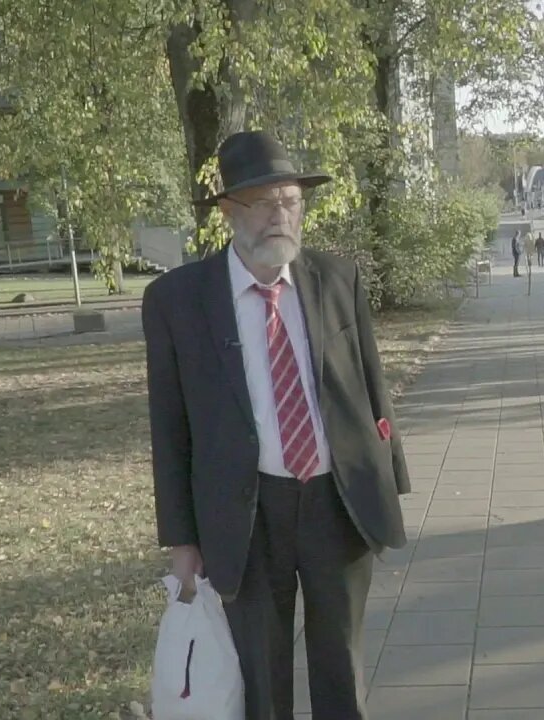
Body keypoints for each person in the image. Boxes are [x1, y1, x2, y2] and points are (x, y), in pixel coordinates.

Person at [143, 130, 411, 720]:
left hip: (335, 503)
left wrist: (393, 480)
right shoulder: (178, 301)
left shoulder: (338, 279)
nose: (280, 217)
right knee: (261, 679)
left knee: (341, 665)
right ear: (229, 212)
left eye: (290, 201)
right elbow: (170, 427)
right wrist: (183, 540)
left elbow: (371, 385)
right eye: (265, 203)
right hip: (245, 513)